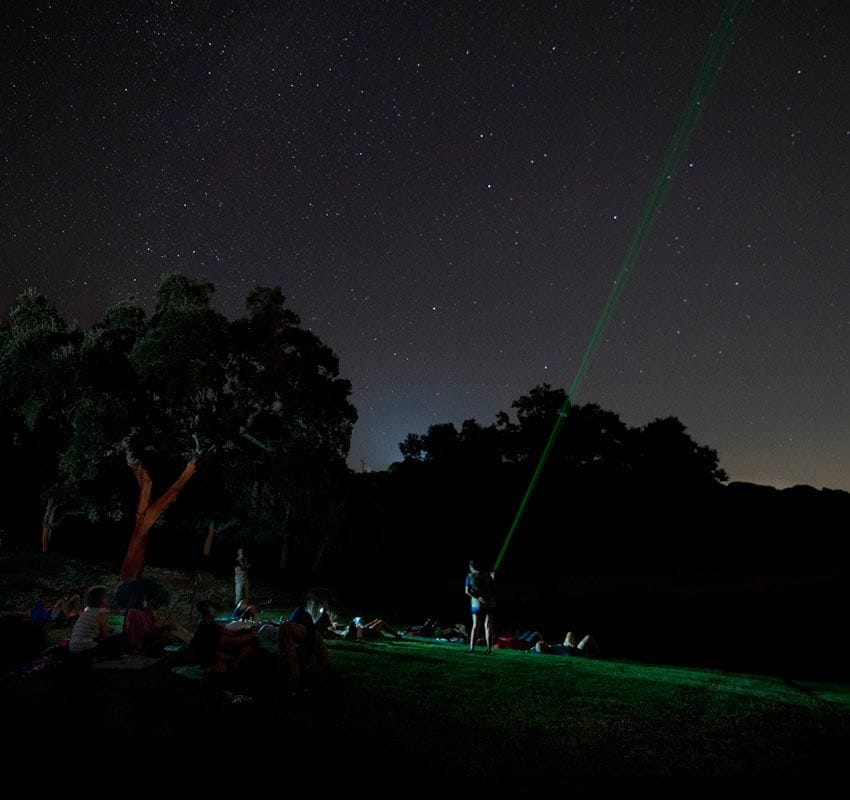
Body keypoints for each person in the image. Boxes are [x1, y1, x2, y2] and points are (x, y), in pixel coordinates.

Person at [123, 593, 191, 655]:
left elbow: (151, 628)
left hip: (144, 639)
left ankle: (189, 642)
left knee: (173, 629)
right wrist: (164, 629)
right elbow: (148, 631)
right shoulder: (135, 613)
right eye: (144, 600)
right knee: (172, 630)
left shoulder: (141, 612)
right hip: (142, 642)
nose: (145, 602)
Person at [68, 585, 123, 660]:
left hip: (73, 649)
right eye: (106, 596)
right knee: (118, 638)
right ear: (101, 599)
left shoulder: (88, 611)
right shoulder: (101, 613)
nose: (108, 598)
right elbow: (106, 636)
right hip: (85, 650)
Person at [465, 559, 496, 654]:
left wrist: (478, 597)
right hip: (489, 602)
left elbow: (467, 591)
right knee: (488, 626)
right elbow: (493, 588)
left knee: (475, 626)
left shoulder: (469, 576)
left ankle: (471, 648)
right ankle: (489, 649)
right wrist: (493, 578)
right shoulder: (487, 575)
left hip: (476, 603)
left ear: (471, 567)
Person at [534, 630, 600, 657]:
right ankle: (598, 653)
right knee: (588, 637)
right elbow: (568, 654)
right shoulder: (552, 650)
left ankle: (571, 644)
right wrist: (571, 648)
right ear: (544, 646)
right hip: (576, 651)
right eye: (540, 642)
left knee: (569, 633)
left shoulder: (546, 647)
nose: (540, 641)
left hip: (566, 646)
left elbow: (534, 649)